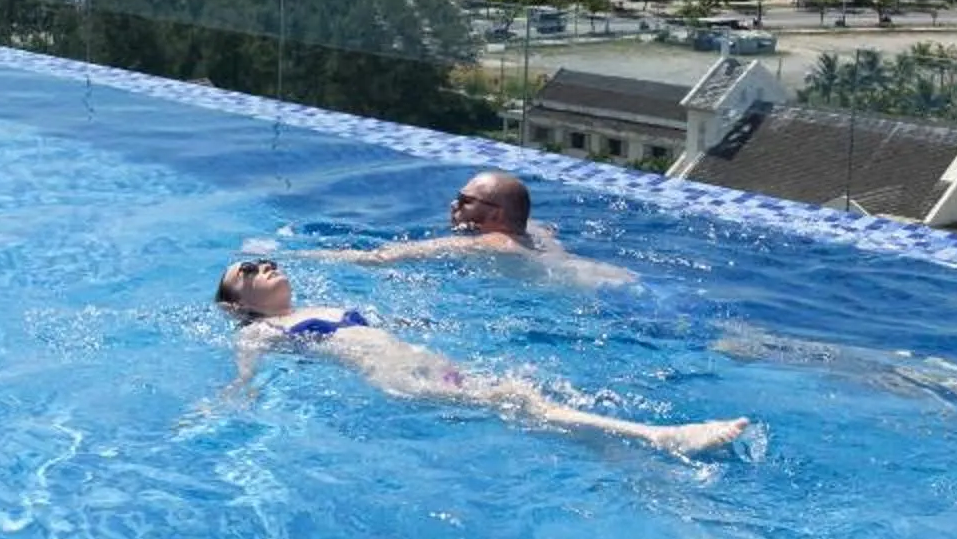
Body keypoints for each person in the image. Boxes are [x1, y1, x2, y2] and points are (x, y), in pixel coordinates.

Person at [212, 258, 751, 456]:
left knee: (531, 403)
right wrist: (231, 400)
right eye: (247, 273)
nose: (264, 268)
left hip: (427, 362)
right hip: (399, 380)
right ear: (239, 304)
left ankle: (610, 448)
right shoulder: (261, 333)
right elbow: (246, 379)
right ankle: (660, 437)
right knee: (521, 399)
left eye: (265, 262)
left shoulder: (324, 303)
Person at [314, 171, 634, 286]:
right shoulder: (534, 232)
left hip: (604, 292)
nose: (454, 206)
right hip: (614, 276)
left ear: (496, 216)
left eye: (465, 201)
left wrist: (308, 255)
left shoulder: (495, 242)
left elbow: (387, 257)